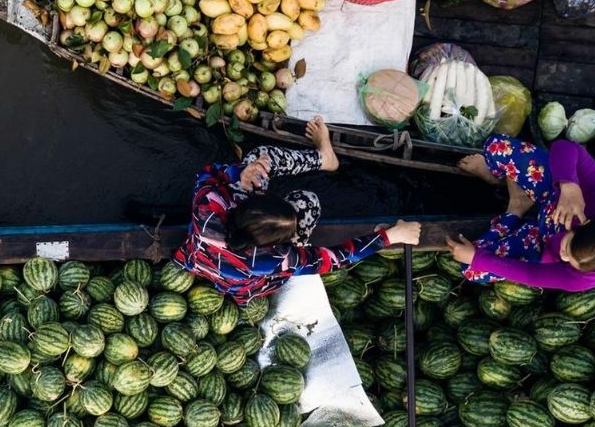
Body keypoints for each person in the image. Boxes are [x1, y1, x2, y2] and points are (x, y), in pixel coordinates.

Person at [174, 116, 422, 304]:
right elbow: (336, 259)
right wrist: (390, 236)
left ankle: (324, 159)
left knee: (260, 158)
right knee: (307, 203)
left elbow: (206, 174)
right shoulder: (277, 259)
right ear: (280, 245)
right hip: (250, 283)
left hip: (199, 261)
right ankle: (323, 160)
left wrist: (241, 173)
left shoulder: (209, 207)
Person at [445, 134, 595, 291]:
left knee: (472, 270)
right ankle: (498, 179)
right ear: (585, 223)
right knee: (497, 146)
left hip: (541, 242)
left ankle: (515, 209)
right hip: (555, 194)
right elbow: (565, 147)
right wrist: (569, 184)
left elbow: (531, 274)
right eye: (567, 248)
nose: (564, 258)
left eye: (569, 261)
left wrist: (477, 259)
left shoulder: (585, 278)